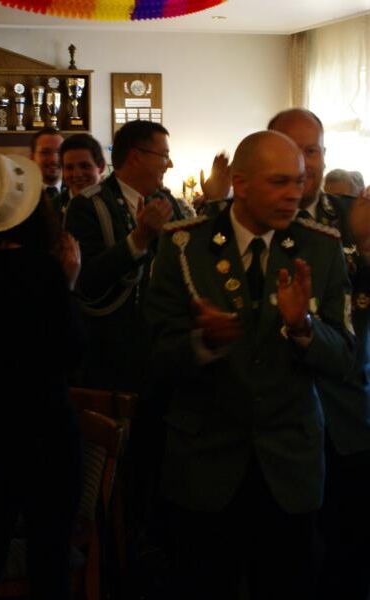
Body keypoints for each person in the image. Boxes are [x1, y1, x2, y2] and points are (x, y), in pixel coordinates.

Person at [146, 130, 354, 600]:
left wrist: (303, 326)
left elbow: (344, 357)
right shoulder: (184, 246)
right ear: (240, 184)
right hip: (205, 464)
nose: (294, 194)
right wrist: (203, 341)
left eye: (299, 181)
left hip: (289, 466)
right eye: (279, 182)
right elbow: (155, 354)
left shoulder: (320, 247)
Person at [0, 153, 83, 600]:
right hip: (45, 434)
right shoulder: (44, 271)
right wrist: (68, 286)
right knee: (50, 561)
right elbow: (69, 353)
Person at [269, 108, 370, 600]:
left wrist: (366, 247)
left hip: (347, 411)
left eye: (312, 150)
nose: (304, 163)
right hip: (277, 419)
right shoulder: (254, 214)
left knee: (348, 553)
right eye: (291, 149)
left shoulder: (352, 215)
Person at [65, 119, 179, 392]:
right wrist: (138, 239)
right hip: (114, 356)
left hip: (162, 351)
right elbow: (85, 280)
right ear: (136, 157)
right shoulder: (88, 205)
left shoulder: (166, 202)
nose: (169, 164)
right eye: (164, 156)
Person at [57, 133, 106, 221]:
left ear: (101, 166)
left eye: (84, 166)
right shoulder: (51, 209)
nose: (77, 174)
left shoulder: (117, 205)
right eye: (69, 167)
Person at [30, 126, 64, 198]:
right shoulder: (23, 195)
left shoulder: (74, 192)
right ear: (32, 157)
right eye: (45, 152)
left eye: (59, 152)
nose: (54, 159)